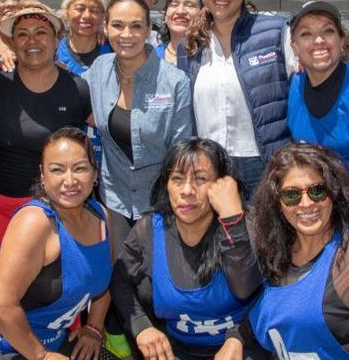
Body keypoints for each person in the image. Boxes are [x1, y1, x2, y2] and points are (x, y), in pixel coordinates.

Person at [227, 143, 349, 359]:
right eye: (291, 195)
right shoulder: (274, 255)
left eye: (317, 191)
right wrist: (235, 338)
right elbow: (261, 317)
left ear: (334, 193)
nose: (306, 204)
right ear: (277, 202)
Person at [0, 127, 115, 360]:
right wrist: (41, 356)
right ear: (43, 176)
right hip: (1, 350)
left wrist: (93, 327)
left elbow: (106, 281)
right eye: (57, 170)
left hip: (55, 344)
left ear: (95, 174)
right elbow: (2, 305)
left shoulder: (100, 216)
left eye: (80, 168)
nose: (70, 180)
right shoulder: (35, 221)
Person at [111, 138, 263, 360]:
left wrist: (238, 337)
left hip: (241, 347)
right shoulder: (149, 231)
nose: (187, 190)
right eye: (178, 179)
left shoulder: (248, 227)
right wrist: (141, 326)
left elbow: (249, 289)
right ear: (166, 185)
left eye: (201, 179)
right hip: (177, 350)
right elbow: (120, 279)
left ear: (222, 185)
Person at [179, 0, 293, 197]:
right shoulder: (189, 45)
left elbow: (310, 79)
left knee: (262, 234)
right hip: (208, 165)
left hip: (263, 165)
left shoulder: (275, 32)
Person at [0, 2, 92, 244]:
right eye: (22, 34)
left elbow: (108, 132)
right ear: (11, 42)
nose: (32, 41)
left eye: (40, 32)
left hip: (54, 211)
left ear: (56, 39)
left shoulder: (77, 88)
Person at [83, 0, 194, 235]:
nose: (126, 35)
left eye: (135, 26)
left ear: (148, 30)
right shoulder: (99, 71)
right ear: (106, 28)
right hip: (114, 201)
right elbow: (65, 91)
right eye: (117, 25)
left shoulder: (176, 82)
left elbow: (182, 153)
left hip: (161, 204)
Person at [286, 1, 349, 243]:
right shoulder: (294, 83)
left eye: (328, 31)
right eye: (306, 34)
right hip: (318, 223)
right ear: (295, 46)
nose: (319, 40)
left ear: (343, 41)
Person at [58, 0, 111, 75]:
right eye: (80, 9)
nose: (87, 16)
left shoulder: (113, 51)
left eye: (94, 10)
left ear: (103, 16)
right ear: (66, 12)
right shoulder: (54, 53)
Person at [154, 0, 202, 66]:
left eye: (189, 5)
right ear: (165, 16)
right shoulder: (153, 57)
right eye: (174, 5)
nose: (180, 11)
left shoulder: (212, 56)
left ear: (201, 14)